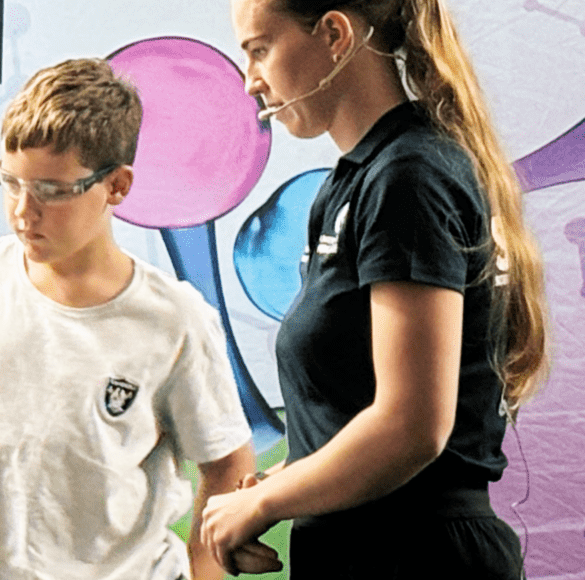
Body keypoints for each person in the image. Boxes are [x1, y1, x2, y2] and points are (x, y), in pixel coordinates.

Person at [0, 58, 258, 580]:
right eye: (11, 183)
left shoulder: (176, 318)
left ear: (117, 186)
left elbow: (227, 463)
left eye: (51, 190)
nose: (23, 212)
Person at [203, 1, 551, 577]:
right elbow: (349, 420)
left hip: (417, 556)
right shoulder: (353, 185)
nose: (250, 81)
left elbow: (411, 426)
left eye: (259, 50)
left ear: (335, 34)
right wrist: (267, 494)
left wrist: (263, 502)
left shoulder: (410, 176)